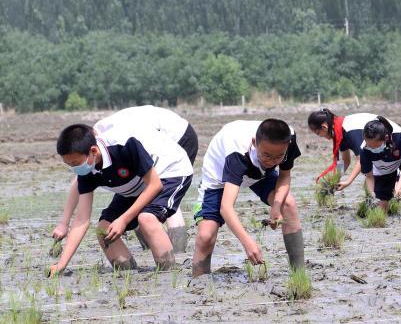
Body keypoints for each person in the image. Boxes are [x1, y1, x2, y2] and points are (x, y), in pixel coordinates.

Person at [50, 124, 193, 276]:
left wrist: (124, 219)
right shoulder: (86, 171)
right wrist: (61, 265)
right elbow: (81, 220)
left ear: (93, 150)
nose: (74, 169)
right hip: (136, 183)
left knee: (146, 219)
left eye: (76, 163)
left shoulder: (124, 146)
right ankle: (127, 274)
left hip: (168, 171)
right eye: (69, 165)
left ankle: (169, 274)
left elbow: (154, 185)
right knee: (104, 229)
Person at [191, 119, 303, 277]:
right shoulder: (236, 152)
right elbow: (226, 207)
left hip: (260, 173)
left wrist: (276, 208)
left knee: (288, 204)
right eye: (267, 155)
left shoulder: (287, 138)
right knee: (205, 236)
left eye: (279, 156)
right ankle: (199, 285)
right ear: (254, 143)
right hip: (219, 178)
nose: (272, 161)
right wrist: (247, 242)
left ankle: (299, 275)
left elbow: (284, 176)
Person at [360, 116, 401, 217]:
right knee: (381, 208)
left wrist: (399, 185)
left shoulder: (399, 135)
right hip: (384, 165)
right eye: (369, 145)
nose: (371, 148)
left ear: (385, 138)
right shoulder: (365, 149)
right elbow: (369, 176)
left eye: (375, 146)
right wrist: (372, 194)